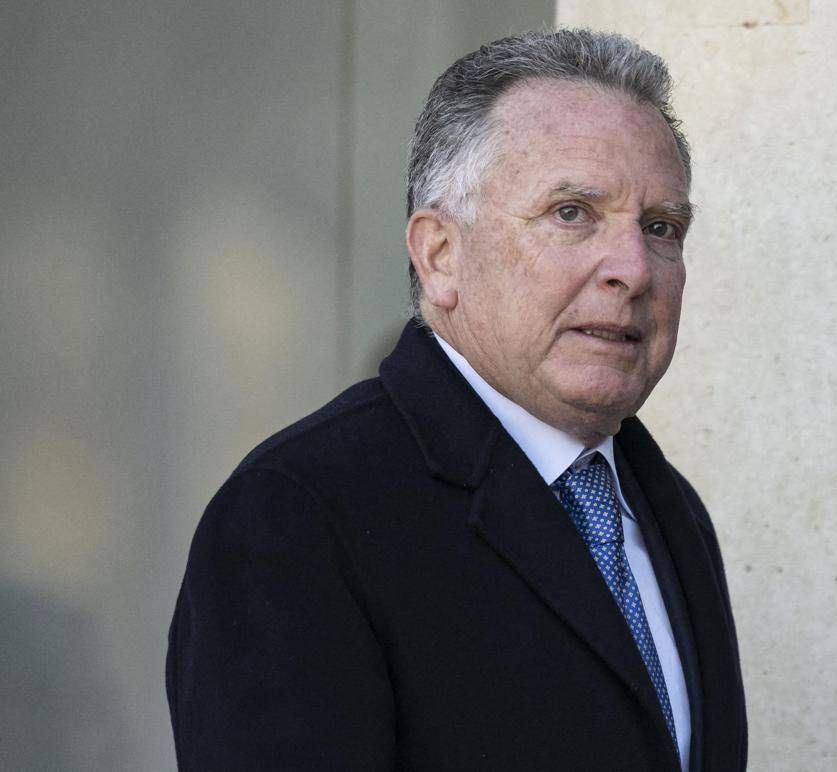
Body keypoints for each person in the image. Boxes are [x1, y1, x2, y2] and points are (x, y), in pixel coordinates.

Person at [166, 28, 746, 771]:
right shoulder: (298, 515)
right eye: (572, 213)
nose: (633, 269)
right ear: (440, 255)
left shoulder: (669, 510)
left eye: (661, 227)